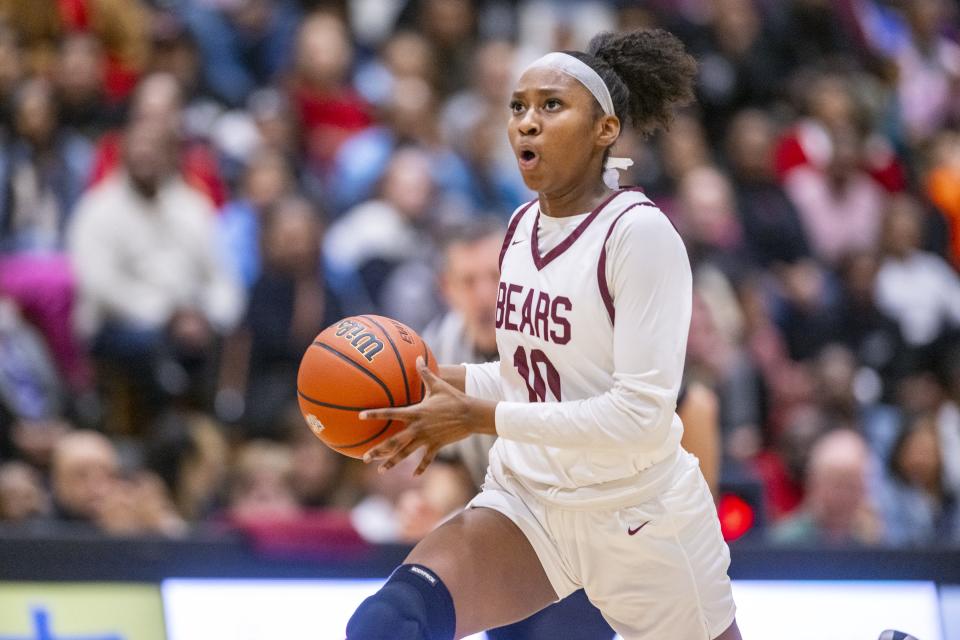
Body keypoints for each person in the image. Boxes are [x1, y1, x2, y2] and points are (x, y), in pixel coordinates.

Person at [349, 29, 740, 640]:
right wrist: (417, 384)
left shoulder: (641, 235)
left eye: (551, 106)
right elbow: (528, 376)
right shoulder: (518, 226)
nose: (527, 122)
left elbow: (638, 415)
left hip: (635, 517)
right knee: (387, 624)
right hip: (528, 503)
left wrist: (479, 417)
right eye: (518, 107)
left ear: (605, 128)